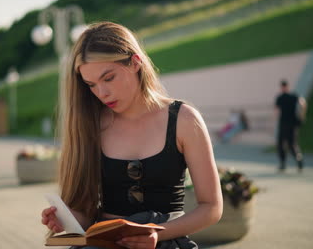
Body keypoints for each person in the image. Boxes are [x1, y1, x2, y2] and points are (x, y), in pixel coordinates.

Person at [41, 22, 222, 249]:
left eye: (108, 78)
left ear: (136, 63)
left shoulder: (184, 119)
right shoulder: (90, 125)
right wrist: (67, 219)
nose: (101, 93)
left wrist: (157, 234)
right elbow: (87, 215)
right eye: (91, 85)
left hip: (167, 243)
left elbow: (211, 207)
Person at [274, 80, 305, 172]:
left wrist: (301, 115)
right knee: (282, 144)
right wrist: (301, 116)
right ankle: (284, 163)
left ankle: (298, 161)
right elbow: (303, 104)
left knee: (290, 144)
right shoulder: (293, 96)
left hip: (287, 124)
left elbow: (276, 111)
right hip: (289, 124)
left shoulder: (282, 97)